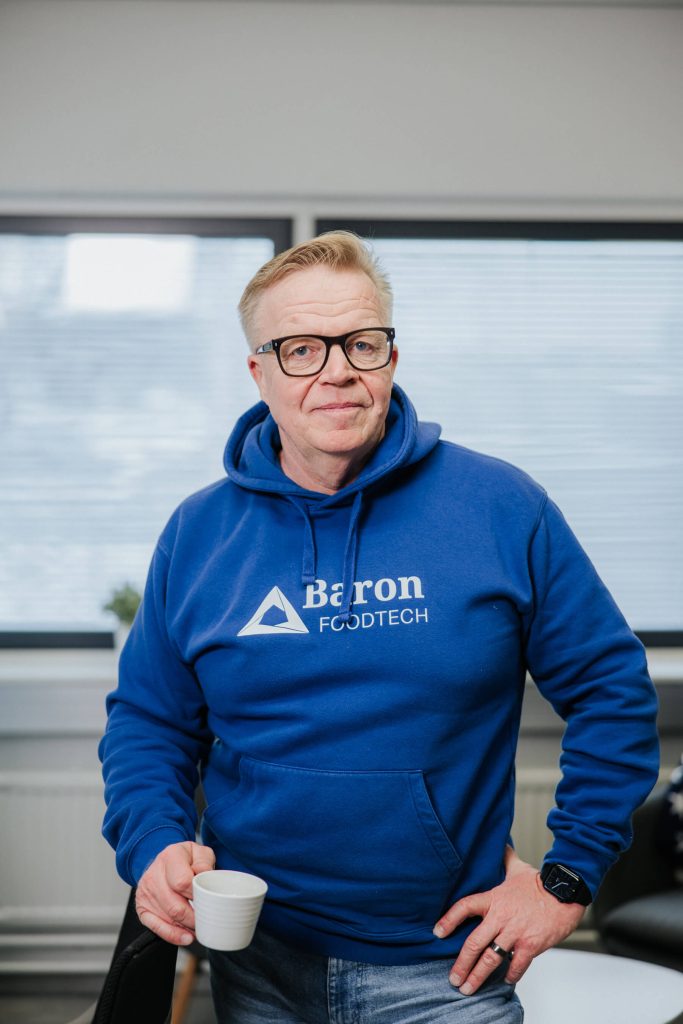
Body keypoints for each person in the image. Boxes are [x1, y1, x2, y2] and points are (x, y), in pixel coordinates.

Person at [99, 231, 659, 1023]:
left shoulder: (500, 507)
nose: (336, 369)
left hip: (446, 969)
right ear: (258, 373)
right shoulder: (198, 533)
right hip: (255, 961)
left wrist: (565, 881)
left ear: (390, 358)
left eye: (361, 342)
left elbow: (613, 693)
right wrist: (152, 843)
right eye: (300, 348)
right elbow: (149, 723)